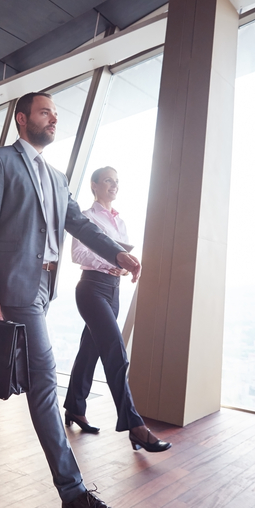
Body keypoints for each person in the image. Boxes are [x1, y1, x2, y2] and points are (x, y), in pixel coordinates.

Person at [0, 92, 142, 508]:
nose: (53, 119)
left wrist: (119, 254)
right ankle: (74, 495)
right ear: (21, 119)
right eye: (44, 112)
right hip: (9, 286)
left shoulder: (57, 177)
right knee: (42, 381)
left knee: (13, 368)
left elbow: (80, 224)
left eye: (56, 114)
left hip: (42, 287)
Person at [64, 167, 171, 452]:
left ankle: (74, 407)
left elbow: (118, 254)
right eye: (108, 180)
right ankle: (135, 427)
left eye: (117, 181)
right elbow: (79, 254)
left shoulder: (120, 221)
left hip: (113, 291)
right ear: (94, 185)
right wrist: (111, 263)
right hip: (91, 289)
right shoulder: (86, 217)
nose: (114, 185)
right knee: (116, 352)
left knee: (90, 350)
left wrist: (120, 268)